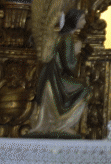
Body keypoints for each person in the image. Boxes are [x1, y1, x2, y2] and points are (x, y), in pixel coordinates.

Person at [27, 9, 90, 137]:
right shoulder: (67, 38)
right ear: (74, 21)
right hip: (55, 78)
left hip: (51, 75)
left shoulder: (64, 37)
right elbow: (69, 65)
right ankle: (62, 125)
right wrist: (76, 51)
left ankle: (60, 124)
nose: (84, 22)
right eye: (82, 19)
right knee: (84, 89)